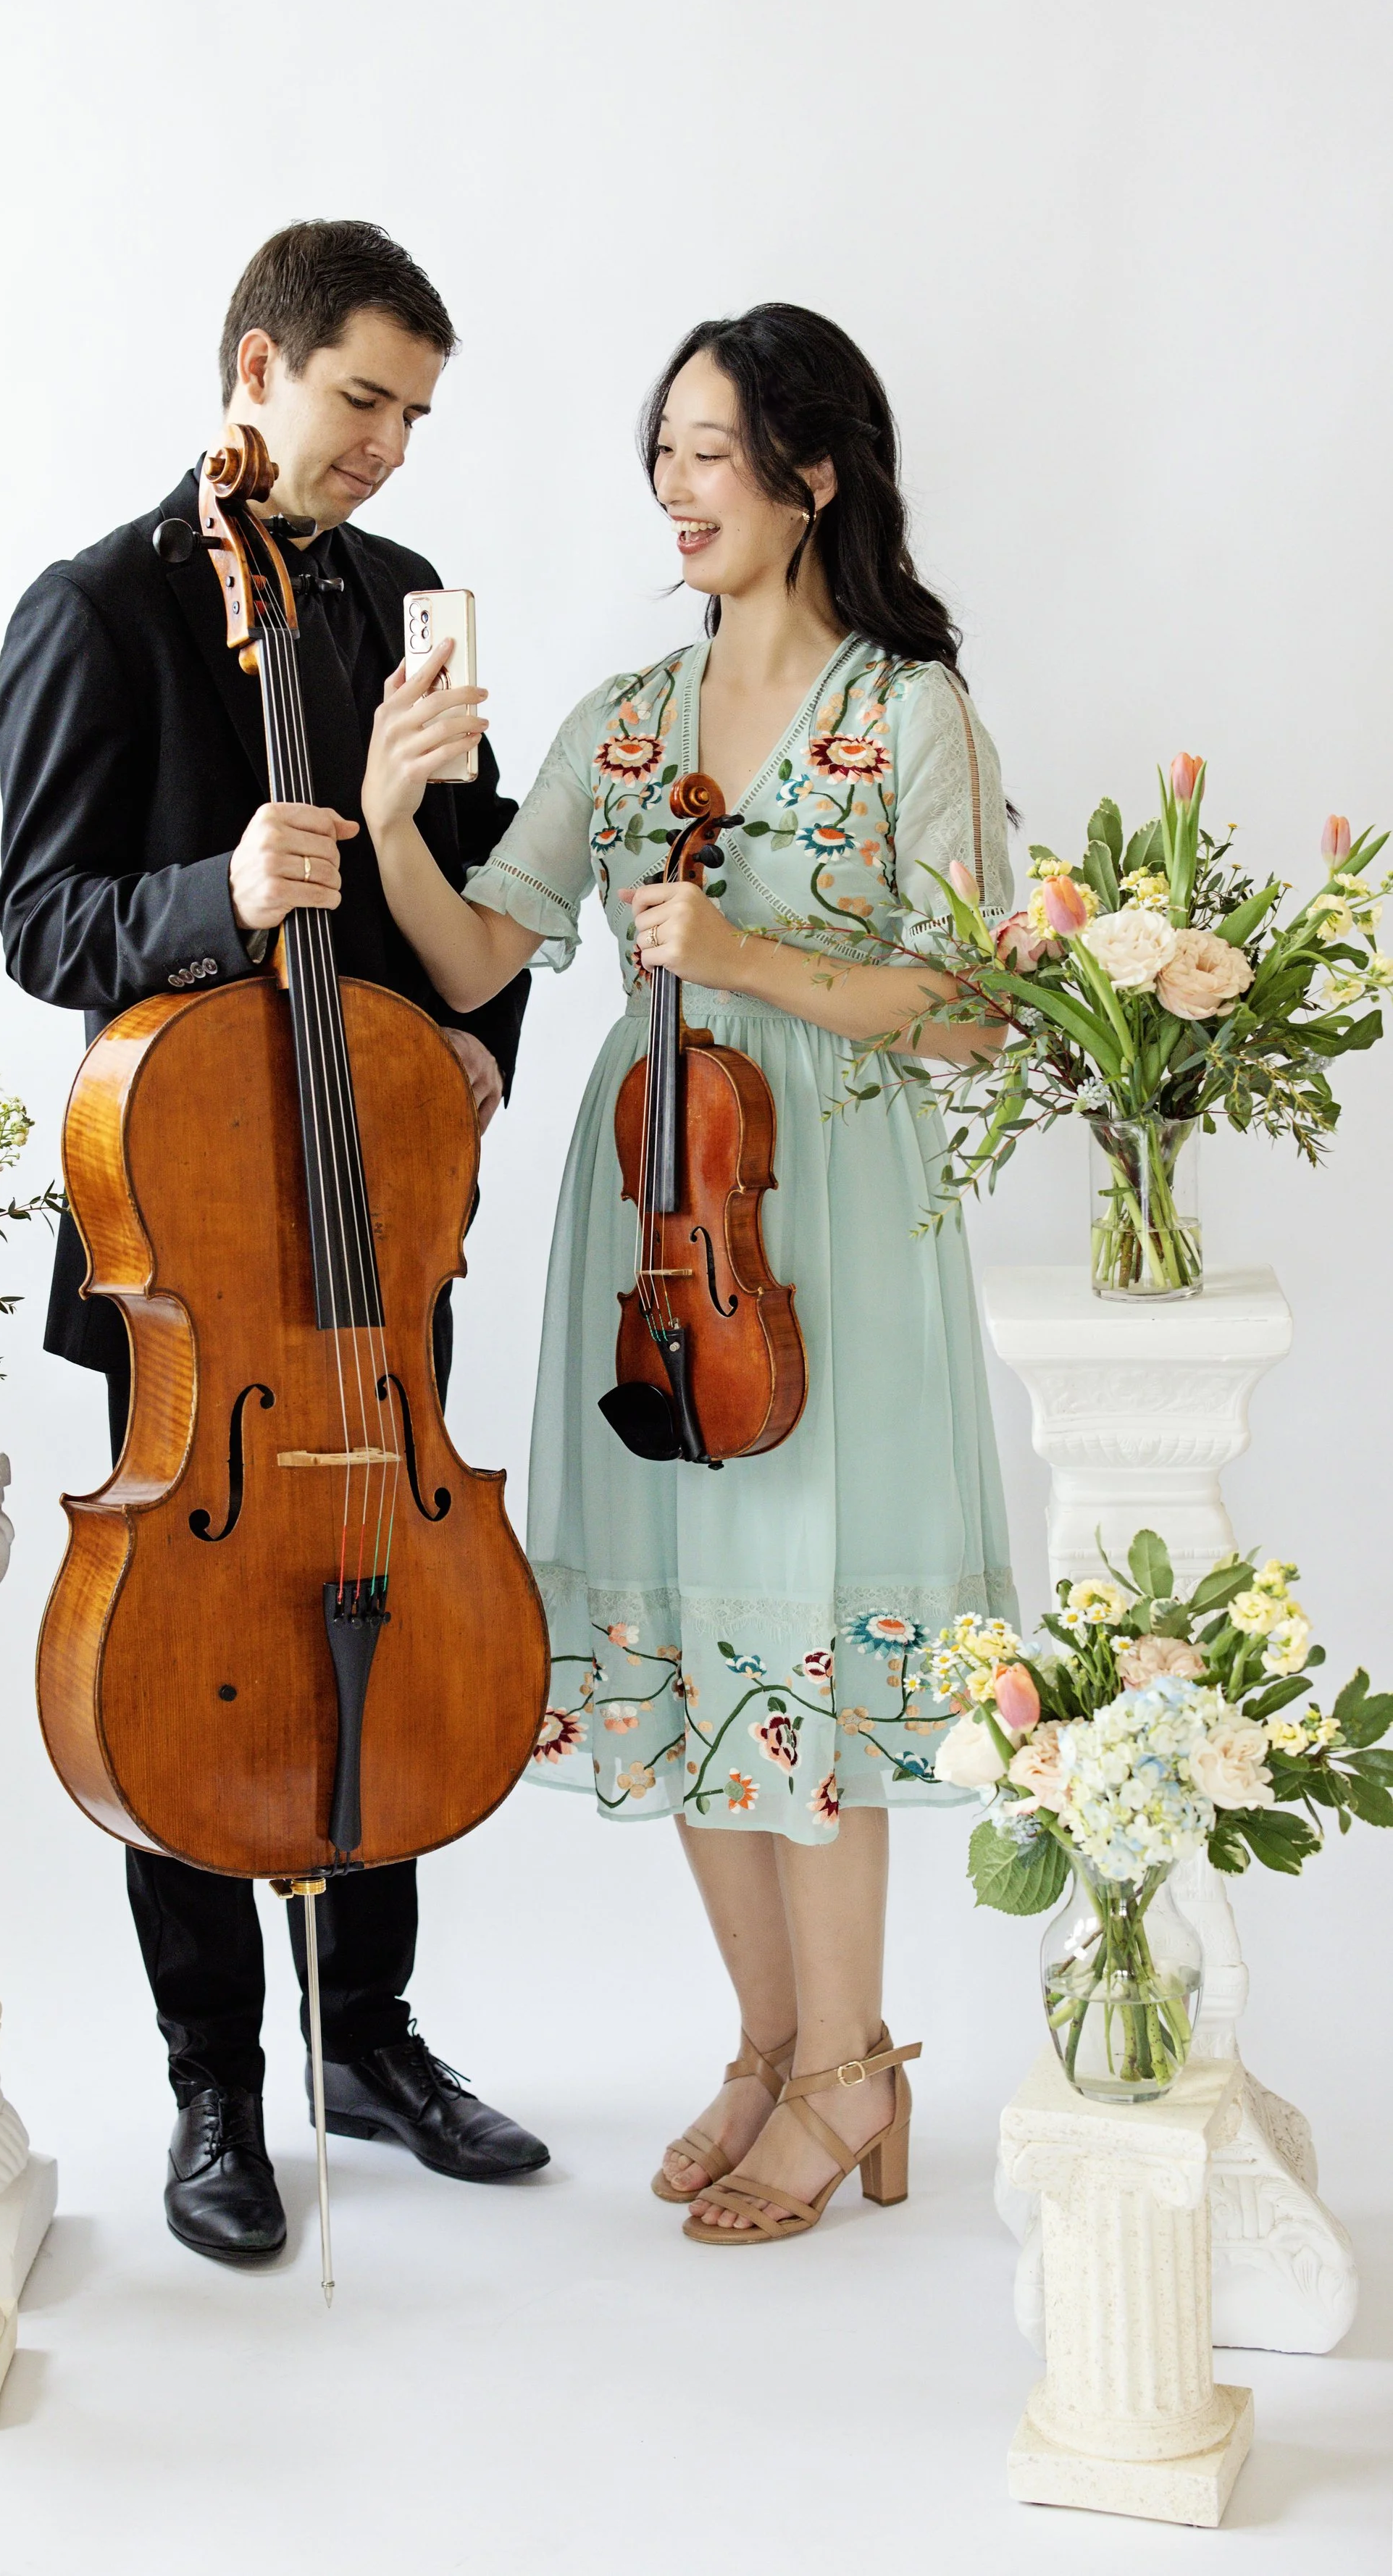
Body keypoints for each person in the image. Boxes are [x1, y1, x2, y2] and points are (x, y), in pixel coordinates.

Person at [361, 302, 1016, 2244]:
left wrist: (743, 959)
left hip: (833, 1223)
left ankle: (848, 2066)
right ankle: (775, 2045)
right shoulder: (627, 717)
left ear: (813, 474)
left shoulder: (908, 711)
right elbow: (480, 954)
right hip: (665, 1227)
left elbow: (972, 1005)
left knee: (804, 1618)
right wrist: (392, 818)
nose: (673, 485)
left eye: (709, 450)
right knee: (687, 1628)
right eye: (660, 451)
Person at [0, 219, 550, 2267]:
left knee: (386, 1598)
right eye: (360, 400)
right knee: (194, 1653)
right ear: (257, 367)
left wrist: (477, 1050)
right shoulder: (96, 609)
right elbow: (43, 917)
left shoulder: (402, 603)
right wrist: (218, 892)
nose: (388, 448)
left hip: (374, 1218)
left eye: (415, 415)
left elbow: (481, 888)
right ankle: (215, 2082)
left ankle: (369, 2040)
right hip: (199, 1228)